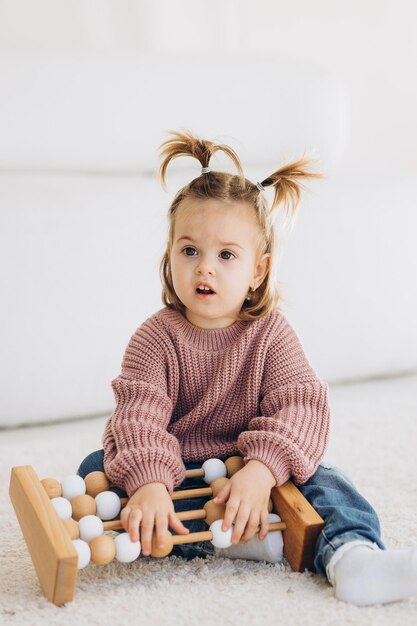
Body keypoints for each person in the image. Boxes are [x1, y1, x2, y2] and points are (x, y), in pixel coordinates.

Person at [77, 129, 417, 607]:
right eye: (189, 250)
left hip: (256, 470)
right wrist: (151, 483)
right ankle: (246, 538)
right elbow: (138, 415)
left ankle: (353, 558)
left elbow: (300, 407)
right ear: (169, 256)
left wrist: (260, 471)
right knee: (98, 470)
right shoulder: (155, 338)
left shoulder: (270, 334)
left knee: (327, 479)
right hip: (181, 474)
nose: (204, 269)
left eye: (226, 255)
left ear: (258, 270)